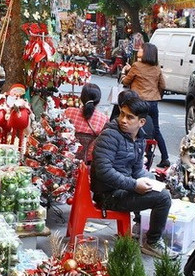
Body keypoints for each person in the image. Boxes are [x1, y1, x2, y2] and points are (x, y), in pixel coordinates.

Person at [91, 95, 172, 256]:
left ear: (141, 122)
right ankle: (152, 242)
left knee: (159, 188)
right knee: (163, 198)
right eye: (122, 114)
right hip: (108, 195)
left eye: (130, 117)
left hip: (123, 188)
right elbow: (103, 171)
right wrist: (135, 185)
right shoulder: (109, 136)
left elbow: (136, 171)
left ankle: (139, 228)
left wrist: (151, 180)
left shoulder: (139, 138)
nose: (123, 120)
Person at [121, 42, 170, 168]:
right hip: (153, 102)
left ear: (146, 52)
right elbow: (163, 85)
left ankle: (139, 158)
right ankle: (165, 157)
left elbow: (126, 82)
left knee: (136, 129)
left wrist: (124, 72)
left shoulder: (137, 66)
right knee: (156, 130)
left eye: (141, 49)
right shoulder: (157, 67)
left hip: (139, 102)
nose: (139, 50)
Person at [64, 83, 107, 160]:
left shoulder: (68, 112)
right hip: (88, 161)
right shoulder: (104, 119)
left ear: (81, 98)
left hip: (66, 156)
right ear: (98, 101)